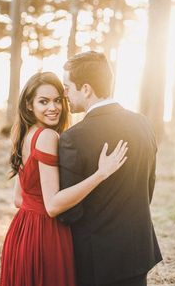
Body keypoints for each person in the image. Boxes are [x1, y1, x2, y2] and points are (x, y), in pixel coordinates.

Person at [0, 71, 128, 286]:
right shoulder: (47, 136)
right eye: (44, 101)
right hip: (45, 235)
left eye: (57, 100)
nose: (53, 107)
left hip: (21, 232)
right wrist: (100, 174)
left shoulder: (27, 133)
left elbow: (19, 200)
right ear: (29, 105)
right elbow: (52, 206)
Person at [58, 51, 163, 286]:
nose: (65, 94)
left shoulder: (73, 138)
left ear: (86, 89)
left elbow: (69, 212)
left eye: (67, 87)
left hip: (97, 259)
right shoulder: (143, 124)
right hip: (138, 249)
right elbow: (148, 186)